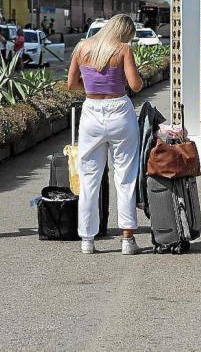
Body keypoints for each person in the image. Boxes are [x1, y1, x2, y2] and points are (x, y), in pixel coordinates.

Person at [66, 13, 143, 255]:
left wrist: (92, 87)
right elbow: (136, 85)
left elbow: (71, 84)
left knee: (89, 178)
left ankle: (87, 240)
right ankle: (127, 239)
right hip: (120, 111)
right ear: (124, 33)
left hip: (91, 112)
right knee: (125, 176)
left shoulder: (82, 47)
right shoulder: (123, 50)